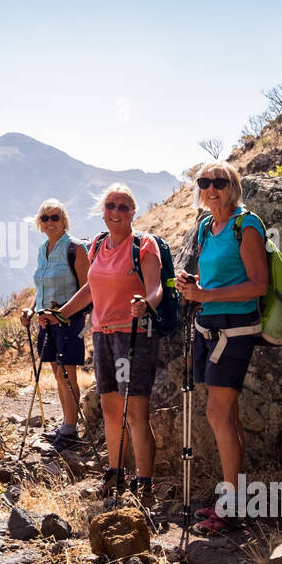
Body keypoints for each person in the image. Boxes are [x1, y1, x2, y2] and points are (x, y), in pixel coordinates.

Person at [49, 183, 163, 507]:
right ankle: (115, 474)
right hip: (102, 336)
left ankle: (145, 484)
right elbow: (90, 289)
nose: (116, 212)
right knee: (112, 409)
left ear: (133, 213)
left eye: (123, 207)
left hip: (134, 337)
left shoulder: (144, 245)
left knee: (136, 413)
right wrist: (61, 314)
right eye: (111, 205)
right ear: (102, 210)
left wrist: (145, 303)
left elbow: (155, 289)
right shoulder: (97, 245)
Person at [174, 160, 268, 534]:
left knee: (217, 413)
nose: (211, 188)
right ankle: (233, 498)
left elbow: (258, 285)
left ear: (233, 186)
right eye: (204, 182)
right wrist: (193, 283)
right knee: (226, 416)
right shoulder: (205, 227)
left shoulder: (247, 226)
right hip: (208, 325)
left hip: (236, 327)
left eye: (219, 181)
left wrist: (204, 293)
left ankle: (230, 505)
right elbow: (212, 276)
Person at [20, 198, 89, 447]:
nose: (50, 222)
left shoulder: (76, 248)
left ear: (64, 220)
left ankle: (71, 430)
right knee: (57, 375)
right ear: (40, 222)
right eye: (45, 218)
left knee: (67, 375)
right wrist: (29, 310)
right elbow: (41, 288)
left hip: (69, 321)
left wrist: (65, 312)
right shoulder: (43, 249)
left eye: (55, 217)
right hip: (45, 321)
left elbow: (86, 289)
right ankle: (65, 425)